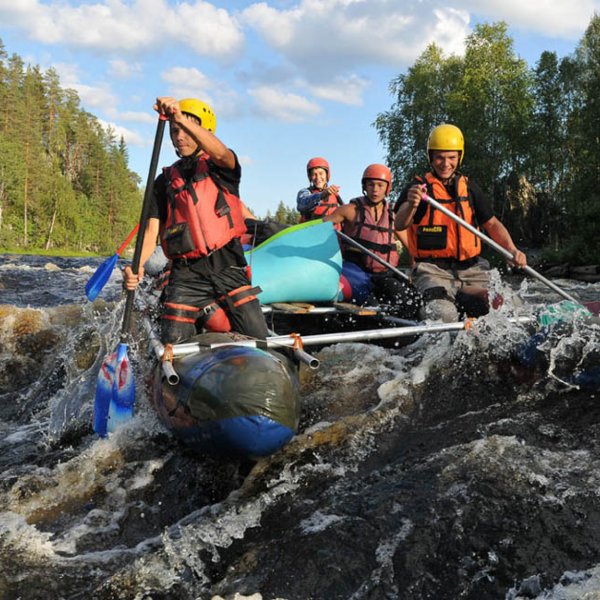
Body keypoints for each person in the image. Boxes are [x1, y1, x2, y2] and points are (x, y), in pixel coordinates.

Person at [123, 97, 268, 343]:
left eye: (186, 129)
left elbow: (221, 153)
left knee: (259, 339)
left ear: (204, 132)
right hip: (186, 276)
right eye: (174, 130)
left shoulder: (223, 168)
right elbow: (150, 233)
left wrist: (178, 116)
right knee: (173, 344)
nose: (179, 136)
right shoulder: (164, 182)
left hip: (229, 267)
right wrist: (135, 269)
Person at [394, 123, 527, 322]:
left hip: (472, 270)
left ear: (459, 157)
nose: (445, 163)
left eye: (451, 157)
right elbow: (400, 224)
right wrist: (412, 204)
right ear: (431, 158)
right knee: (443, 313)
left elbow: (492, 224)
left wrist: (512, 249)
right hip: (433, 271)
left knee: (511, 304)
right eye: (439, 157)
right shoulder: (417, 188)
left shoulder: (471, 189)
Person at [324, 164, 422, 320]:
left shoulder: (394, 216)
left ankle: (398, 331)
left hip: (384, 273)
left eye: (380, 185)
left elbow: (411, 247)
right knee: (371, 306)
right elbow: (321, 226)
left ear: (387, 188)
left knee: (409, 300)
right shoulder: (350, 210)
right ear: (365, 186)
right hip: (355, 272)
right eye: (371, 185)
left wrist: (415, 268)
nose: (375, 189)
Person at [296, 157, 343, 221]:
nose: (318, 177)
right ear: (310, 177)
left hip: (332, 230)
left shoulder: (334, 194)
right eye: (314, 174)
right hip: (312, 229)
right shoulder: (304, 192)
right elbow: (303, 205)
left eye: (321, 173)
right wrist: (322, 195)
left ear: (327, 175)